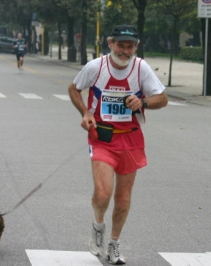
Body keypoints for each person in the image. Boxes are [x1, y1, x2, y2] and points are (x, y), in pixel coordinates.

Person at [68, 24, 168, 265]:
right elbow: (74, 88)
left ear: (136, 47)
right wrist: (85, 113)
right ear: (110, 43)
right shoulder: (96, 67)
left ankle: (114, 244)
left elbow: (162, 98)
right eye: (121, 45)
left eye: (130, 46)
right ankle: (98, 226)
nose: (125, 50)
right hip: (102, 136)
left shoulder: (140, 68)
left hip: (131, 139)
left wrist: (142, 103)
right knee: (103, 193)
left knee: (123, 198)